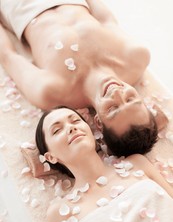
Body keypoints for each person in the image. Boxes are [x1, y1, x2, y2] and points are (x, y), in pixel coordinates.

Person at [0, 0, 157, 157]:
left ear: (98, 122)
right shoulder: (136, 57)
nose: (116, 93)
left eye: (112, 108)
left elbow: (8, 56)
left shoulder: (52, 92)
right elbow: (106, 19)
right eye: (130, 99)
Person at [35, 106, 173, 222]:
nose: (71, 128)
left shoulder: (137, 162)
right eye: (57, 130)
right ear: (50, 157)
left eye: (75, 121)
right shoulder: (60, 212)